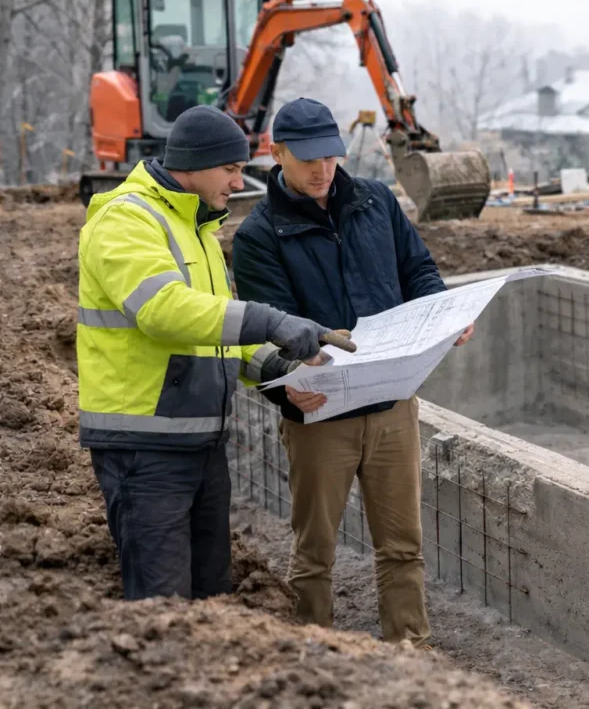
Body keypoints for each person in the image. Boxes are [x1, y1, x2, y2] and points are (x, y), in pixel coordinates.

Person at [230, 97, 471, 646]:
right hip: (322, 414)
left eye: (332, 157)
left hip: (391, 406)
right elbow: (271, 329)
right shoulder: (259, 236)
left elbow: (418, 270)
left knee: (403, 545)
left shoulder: (376, 202)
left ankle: (410, 654)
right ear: (278, 153)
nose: (322, 170)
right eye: (309, 158)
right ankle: (317, 656)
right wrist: (290, 392)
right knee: (315, 551)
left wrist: (446, 315)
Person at [76, 104, 338, 601]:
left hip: (200, 442)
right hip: (144, 448)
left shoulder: (197, 229)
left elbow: (215, 331)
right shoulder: (126, 219)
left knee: (211, 598)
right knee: (163, 603)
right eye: (232, 169)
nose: (239, 183)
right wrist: (273, 321)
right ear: (194, 164)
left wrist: (281, 371)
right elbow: (162, 311)